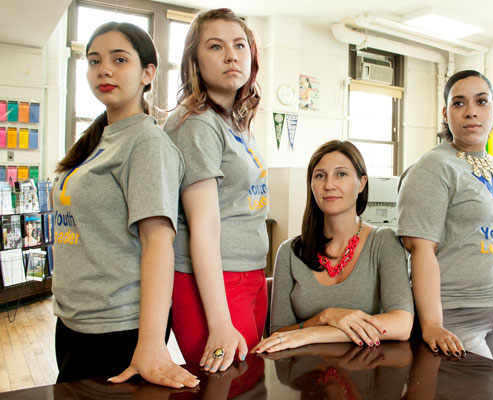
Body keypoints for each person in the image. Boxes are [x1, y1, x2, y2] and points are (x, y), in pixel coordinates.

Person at [52, 22, 198, 388]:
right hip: (74, 320)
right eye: (94, 60)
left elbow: (158, 243)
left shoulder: (146, 143)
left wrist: (150, 344)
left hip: (117, 327)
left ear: (148, 73)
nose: (104, 69)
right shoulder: (100, 139)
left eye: (120, 59)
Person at [396, 70, 493, 363]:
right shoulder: (432, 167)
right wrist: (433, 324)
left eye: (481, 101)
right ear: (446, 114)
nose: (471, 111)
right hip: (457, 315)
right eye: (459, 104)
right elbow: (421, 249)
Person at [163, 8, 268, 374]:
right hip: (214, 282)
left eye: (240, 45)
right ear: (194, 60)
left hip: (247, 274)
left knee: (250, 386)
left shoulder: (231, 120)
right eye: (215, 46)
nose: (231, 55)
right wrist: (220, 323)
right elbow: (203, 226)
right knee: (230, 386)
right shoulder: (197, 124)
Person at [253, 140, 413, 354]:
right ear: (311, 184)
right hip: (303, 377)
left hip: (367, 373)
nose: (329, 185)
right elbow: (278, 334)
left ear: (362, 183)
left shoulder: (384, 241)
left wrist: (317, 332)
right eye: (320, 175)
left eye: (341, 174)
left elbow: (401, 324)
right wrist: (325, 317)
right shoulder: (289, 252)